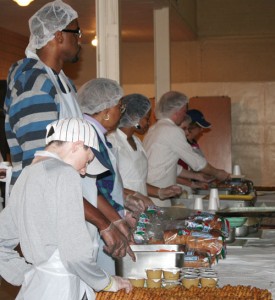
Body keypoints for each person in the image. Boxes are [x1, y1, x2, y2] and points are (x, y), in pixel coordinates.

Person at [4, 0, 133, 262]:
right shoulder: (34, 83)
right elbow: (43, 170)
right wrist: (103, 223)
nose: (80, 40)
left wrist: (114, 219)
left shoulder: (65, 86)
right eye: (77, 33)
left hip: (73, 208)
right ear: (58, 36)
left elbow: (82, 176)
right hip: (48, 216)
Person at [0, 118, 132, 300]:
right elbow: (75, 254)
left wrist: (28, 274)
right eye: (87, 161)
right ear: (77, 145)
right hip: (62, 291)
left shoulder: (26, 174)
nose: (84, 171)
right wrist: (107, 282)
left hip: (36, 289)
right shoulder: (64, 173)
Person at [78, 79, 153, 274]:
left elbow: (106, 186)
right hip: (94, 225)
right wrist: (115, 221)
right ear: (106, 112)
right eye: (120, 107)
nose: (122, 112)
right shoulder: (88, 137)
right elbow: (89, 190)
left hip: (104, 219)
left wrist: (123, 208)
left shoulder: (98, 135)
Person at [143, 91, 230, 207]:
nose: (184, 115)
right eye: (184, 111)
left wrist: (197, 176)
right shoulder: (172, 130)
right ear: (177, 111)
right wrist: (218, 173)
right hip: (158, 193)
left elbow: (168, 165)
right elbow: (197, 162)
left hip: (152, 191)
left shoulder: (155, 128)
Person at [107, 93, 183, 202]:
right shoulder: (112, 142)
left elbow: (138, 181)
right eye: (146, 118)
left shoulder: (137, 142)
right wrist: (136, 197)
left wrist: (160, 192)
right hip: (123, 208)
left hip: (140, 208)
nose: (148, 123)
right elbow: (110, 185)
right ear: (134, 117)